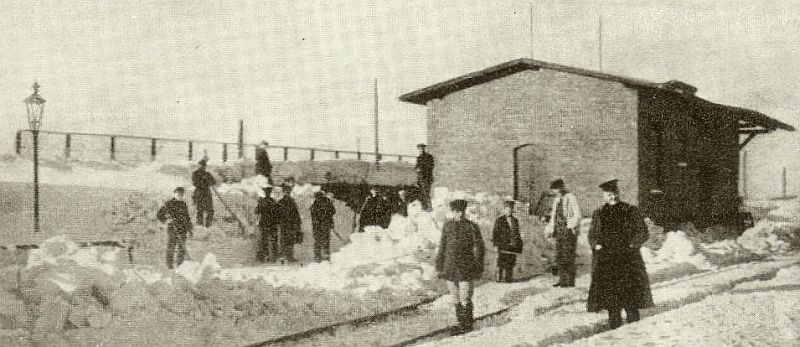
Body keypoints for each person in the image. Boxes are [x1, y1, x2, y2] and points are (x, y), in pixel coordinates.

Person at [587, 179, 653, 329]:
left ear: (618, 193)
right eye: (609, 194)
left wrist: (633, 244)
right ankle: (614, 324)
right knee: (611, 294)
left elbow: (643, 232)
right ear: (604, 196)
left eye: (615, 193)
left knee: (630, 292)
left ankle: (634, 324)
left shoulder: (630, 210)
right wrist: (595, 244)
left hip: (627, 258)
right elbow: (592, 234)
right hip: (607, 260)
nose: (613, 197)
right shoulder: (599, 213)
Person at [436, 199, 485, 335]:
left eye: (462, 212)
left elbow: (479, 248)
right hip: (450, 267)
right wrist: (439, 265)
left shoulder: (472, 227)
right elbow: (442, 246)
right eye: (457, 212)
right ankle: (461, 323)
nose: (460, 214)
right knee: (455, 298)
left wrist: (478, 266)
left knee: (465, 297)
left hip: (466, 267)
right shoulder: (447, 226)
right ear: (452, 212)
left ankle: (467, 325)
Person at [546, 179, 582, 287]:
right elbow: (553, 216)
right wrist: (551, 228)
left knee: (568, 255)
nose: (554, 192)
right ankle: (562, 279)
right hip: (559, 231)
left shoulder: (571, 198)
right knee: (560, 255)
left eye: (555, 189)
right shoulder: (556, 200)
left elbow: (578, 214)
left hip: (568, 231)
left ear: (560, 188)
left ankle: (569, 281)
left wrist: (570, 225)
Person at [157, 187, 193, 269]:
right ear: (175, 194)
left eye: (182, 194)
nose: (180, 196)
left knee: (182, 248)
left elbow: (187, 218)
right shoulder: (169, 204)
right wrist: (166, 220)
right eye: (178, 194)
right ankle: (169, 266)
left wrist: (190, 229)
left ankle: (180, 265)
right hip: (173, 229)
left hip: (183, 229)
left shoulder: (183, 204)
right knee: (171, 247)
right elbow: (159, 214)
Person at [492, 201, 523, 283]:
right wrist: (495, 244)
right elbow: (495, 233)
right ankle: (499, 277)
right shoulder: (499, 220)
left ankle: (508, 278)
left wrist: (519, 243)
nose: (509, 211)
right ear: (504, 209)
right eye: (507, 209)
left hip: (513, 244)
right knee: (501, 261)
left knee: (511, 261)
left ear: (513, 210)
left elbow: (517, 233)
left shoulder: (515, 220)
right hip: (503, 244)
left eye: (511, 209)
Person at [276, 185, 303, 263]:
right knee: (285, 240)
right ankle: (285, 256)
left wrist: (298, 222)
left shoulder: (288, 201)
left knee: (288, 240)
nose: (288, 192)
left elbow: (296, 213)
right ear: (284, 192)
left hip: (289, 224)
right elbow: (277, 213)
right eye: (286, 191)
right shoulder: (283, 201)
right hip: (286, 224)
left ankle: (288, 256)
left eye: (289, 191)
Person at [255, 186, 279, 263]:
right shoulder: (273, 201)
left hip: (265, 223)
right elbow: (277, 212)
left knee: (264, 240)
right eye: (267, 192)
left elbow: (256, 211)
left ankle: (264, 256)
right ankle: (272, 256)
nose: (267, 193)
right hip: (271, 223)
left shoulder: (262, 201)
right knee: (272, 240)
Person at [310, 191, 336, 262]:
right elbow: (333, 211)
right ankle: (326, 255)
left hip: (318, 225)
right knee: (326, 240)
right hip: (326, 224)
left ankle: (318, 256)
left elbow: (313, 213)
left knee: (318, 240)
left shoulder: (315, 203)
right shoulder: (328, 201)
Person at [191, 159, 217, 227]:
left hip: (207, 194)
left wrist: (209, 180)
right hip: (199, 194)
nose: (203, 167)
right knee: (200, 211)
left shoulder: (207, 174)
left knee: (210, 211)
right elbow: (195, 183)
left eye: (204, 165)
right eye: (201, 165)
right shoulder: (195, 173)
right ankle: (200, 227)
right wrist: (205, 181)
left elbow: (214, 182)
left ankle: (208, 226)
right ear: (199, 165)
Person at [415, 143, 435, 211]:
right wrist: (417, 169)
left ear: (424, 149)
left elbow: (431, 166)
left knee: (426, 192)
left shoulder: (429, 157)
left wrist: (422, 168)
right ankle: (424, 207)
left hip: (427, 178)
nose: (421, 150)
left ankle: (429, 207)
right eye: (419, 149)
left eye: (422, 148)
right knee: (421, 193)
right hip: (420, 179)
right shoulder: (419, 158)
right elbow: (416, 167)